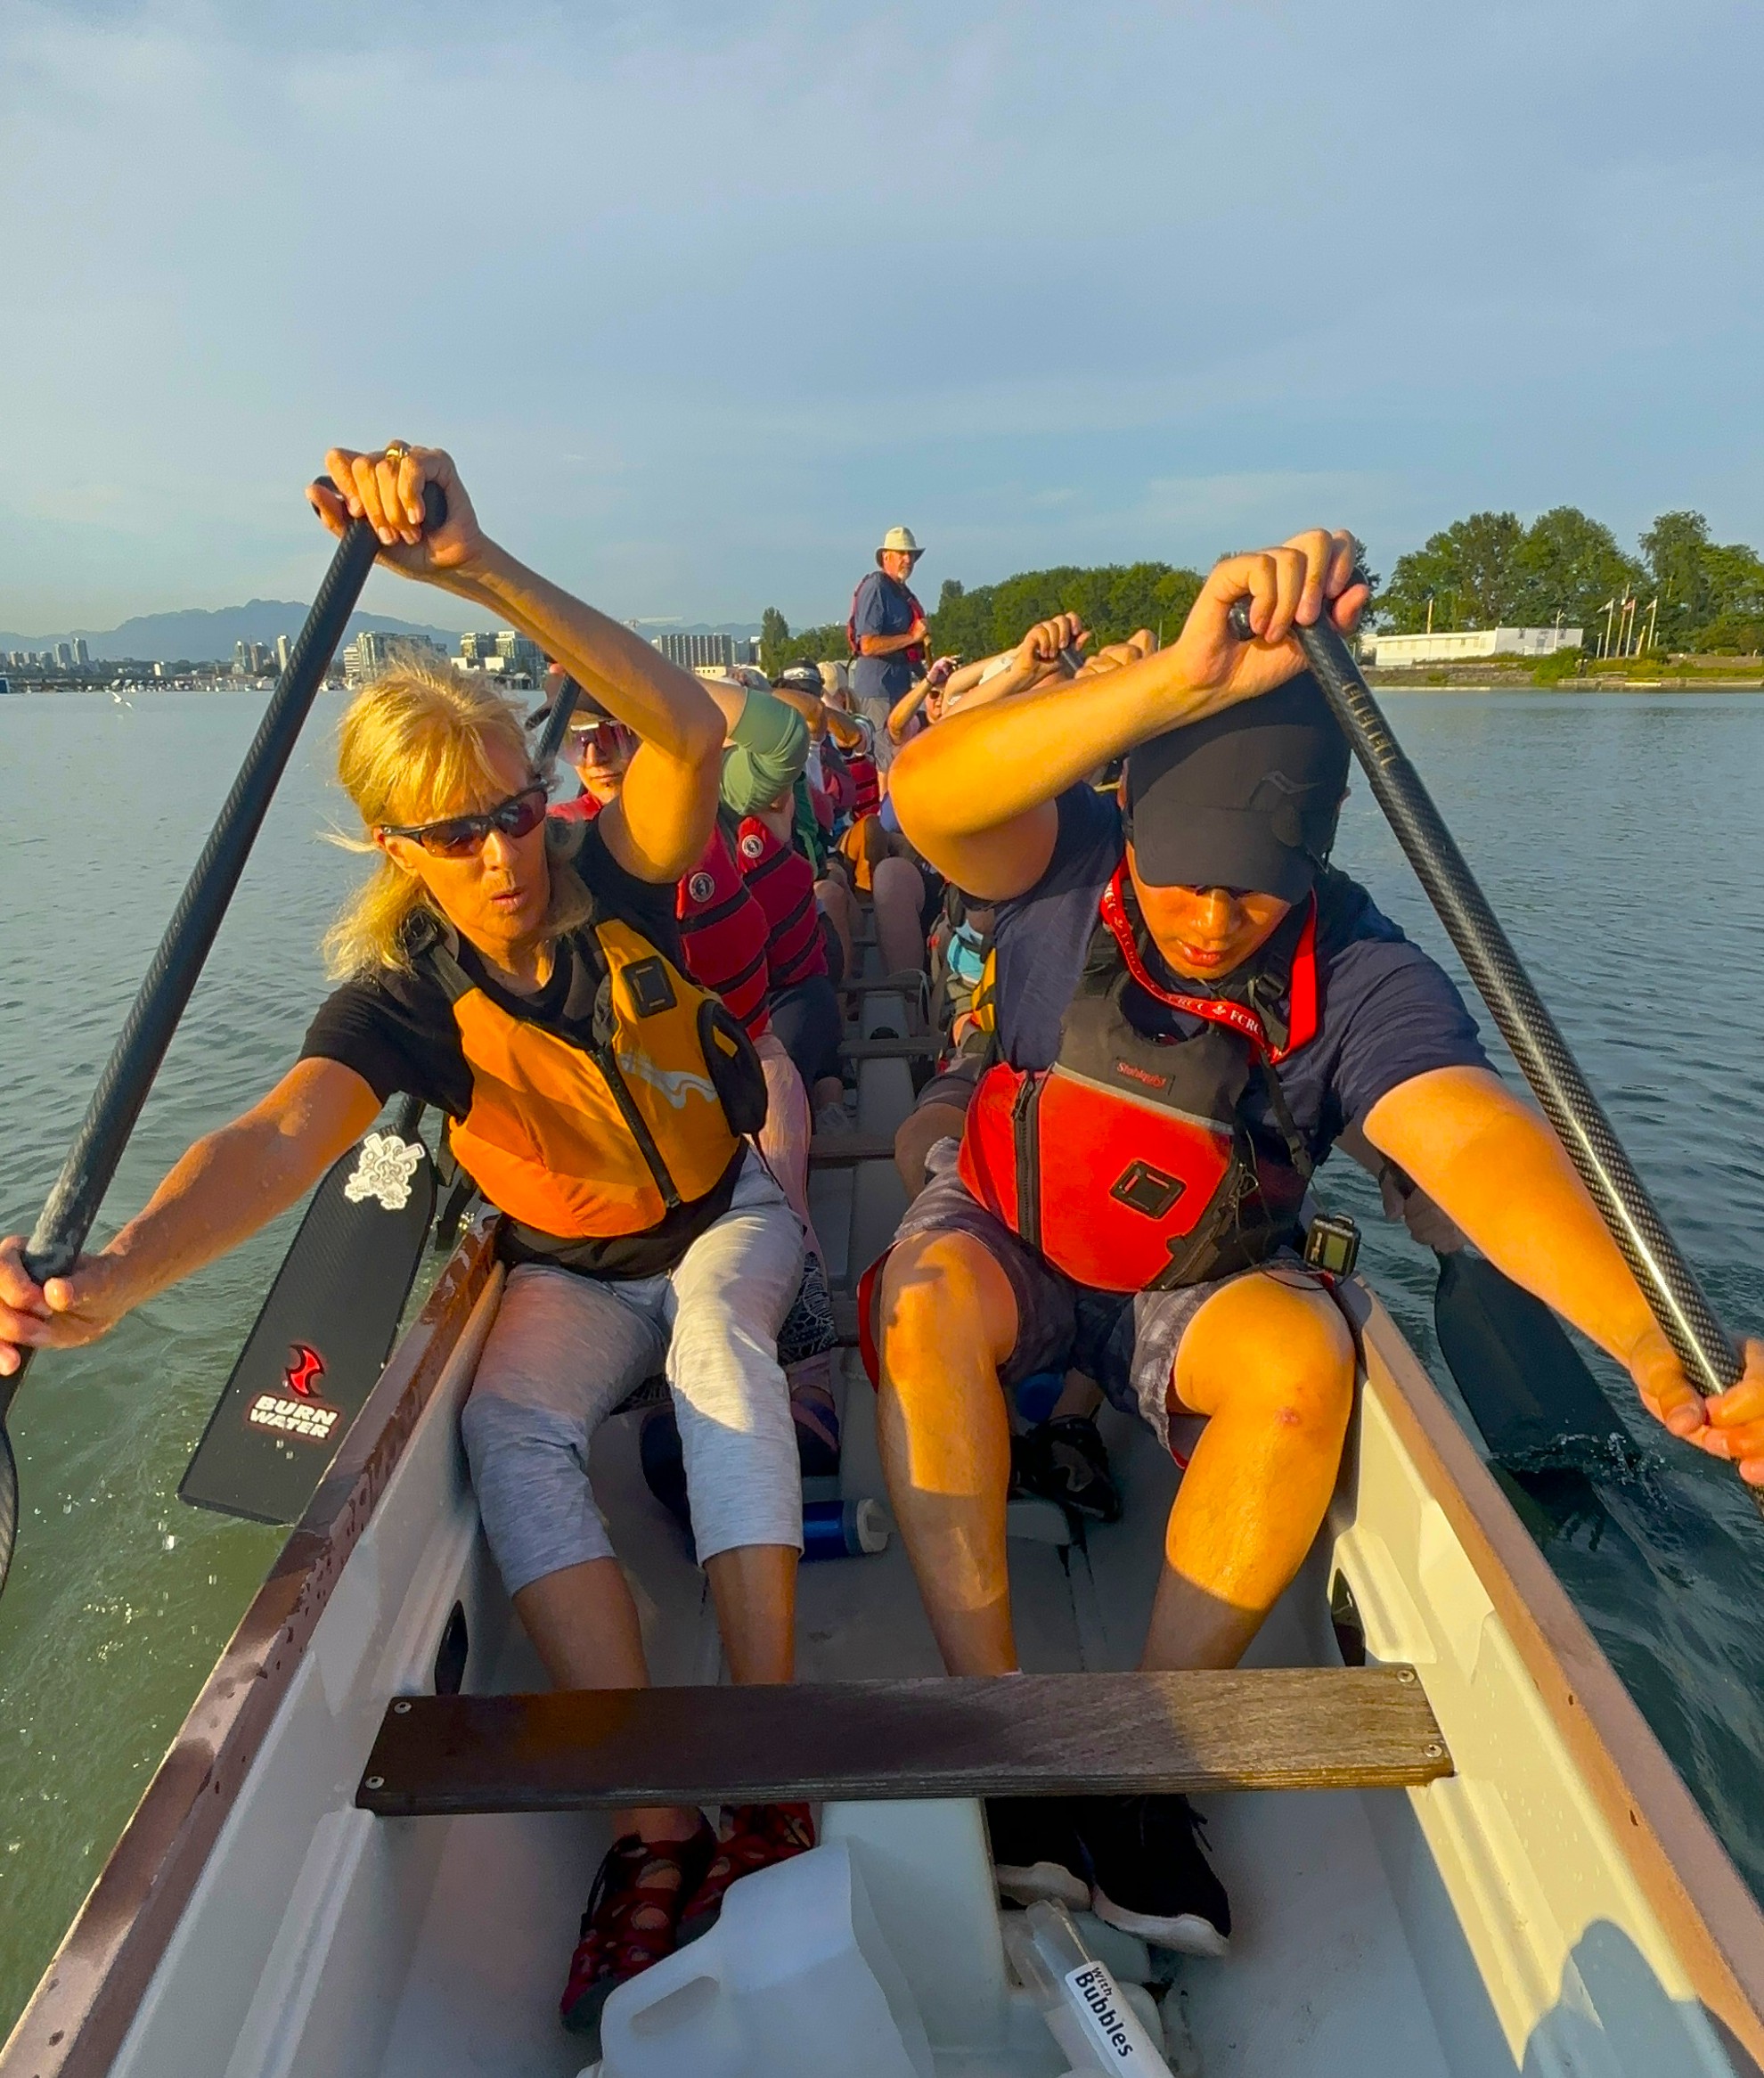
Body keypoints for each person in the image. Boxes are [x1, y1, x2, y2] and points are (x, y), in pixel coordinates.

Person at [0, 443, 817, 2033]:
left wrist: (479, 563)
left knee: (721, 1347)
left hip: (731, 1219)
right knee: (510, 1426)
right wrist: (109, 1285)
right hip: (571, 1272)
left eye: (516, 812)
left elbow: (685, 727)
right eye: (459, 835)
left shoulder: (619, 873)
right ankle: (657, 1813)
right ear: (397, 850)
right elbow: (274, 1137)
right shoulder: (402, 1000)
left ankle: (764, 1765)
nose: (507, 857)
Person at [866, 527, 1764, 1954]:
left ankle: (1152, 1766)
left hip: (1200, 1280)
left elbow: (1464, 1131)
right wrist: (1177, 673)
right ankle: (1006, 1742)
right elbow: (923, 793)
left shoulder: (1357, 963)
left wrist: (1660, 1344)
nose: (1216, 918)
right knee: (918, 1308)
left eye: (1254, 889)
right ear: (1133, 821)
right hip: (1010, 1231)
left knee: (1304, 1356)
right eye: (1188, 880)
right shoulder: (1060, 859)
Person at [848, 525, 929, 735]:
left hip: (900, 690)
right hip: (879, 693)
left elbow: (910, 651)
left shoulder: (901, 593)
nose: (908, 560)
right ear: (886, 557)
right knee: (885, 757)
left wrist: (930, 680)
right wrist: (912, 637)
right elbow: (867, 645)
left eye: (911, 555)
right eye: (902, 553)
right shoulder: (876, 588)